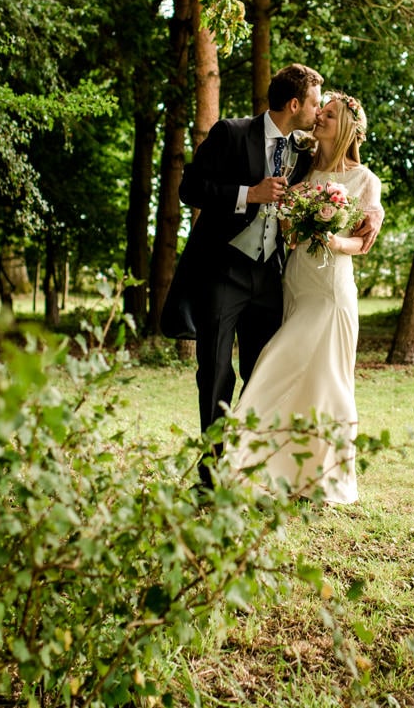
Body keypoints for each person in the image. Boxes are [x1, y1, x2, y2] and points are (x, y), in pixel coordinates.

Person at [164, 64, 326, 482]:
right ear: (295, 104)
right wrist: (248, 194)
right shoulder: (231, 133)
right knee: (216, 372)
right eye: (314, 102)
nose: (317, 110)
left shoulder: (304, 152)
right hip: (224, 271)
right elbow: (191, 190)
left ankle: (246, 467)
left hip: (271, 277)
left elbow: (343, 171)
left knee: (264, 375)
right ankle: (211, 473)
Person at [223, 92, 382, 505]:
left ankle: (322, 477)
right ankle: (290, 474)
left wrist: (333, 239)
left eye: (328, 115)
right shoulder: (301, 171)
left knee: (320, 376)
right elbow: (287, 228)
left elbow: (362, 244)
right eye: (320, 112)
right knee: (305, 379)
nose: (319, 119)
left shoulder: (365, 180)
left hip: (331, 290)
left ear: (347, 126)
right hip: (295, 280)